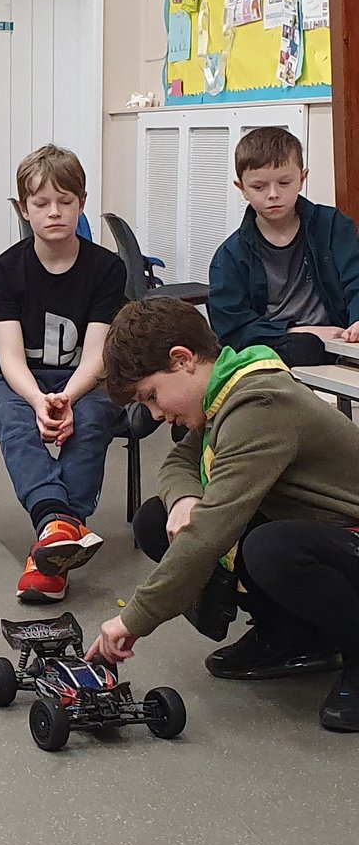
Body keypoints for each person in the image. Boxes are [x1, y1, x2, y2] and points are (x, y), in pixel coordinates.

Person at [89, 297, 359, 734]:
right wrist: (183, 501)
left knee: (272, 548)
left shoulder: (260, 406)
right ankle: (294, 637)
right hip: (327, 535)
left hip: (349, 534)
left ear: (183, 360)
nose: (157, 414)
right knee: (157, 521)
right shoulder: (224, 394)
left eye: (152, 396)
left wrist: (133, 619)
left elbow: (211, 534)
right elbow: (178, 464)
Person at [0, 145, 127, 603]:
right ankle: (57, 525)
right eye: (41, 203)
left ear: (81, 203)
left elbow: (98, 357)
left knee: (94, 416)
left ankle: (53, 541)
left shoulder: (107, 268)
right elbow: (9, 360)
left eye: (65, 201)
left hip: (85, 379)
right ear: (24, 210)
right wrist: (40, 401)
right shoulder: (4, 270)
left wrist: (66, 396)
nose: (55, 212)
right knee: (14, 419)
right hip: (18, 382)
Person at [209, 126, 359, 366]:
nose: (273, 194)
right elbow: (231, 328)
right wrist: (295, 332)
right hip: (276, 344)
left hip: (339, 338)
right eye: (259, 187)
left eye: (284, 182)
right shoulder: (230, 255)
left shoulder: (333, 226)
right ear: (242, 189)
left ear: (302, 179)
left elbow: (356, 279)